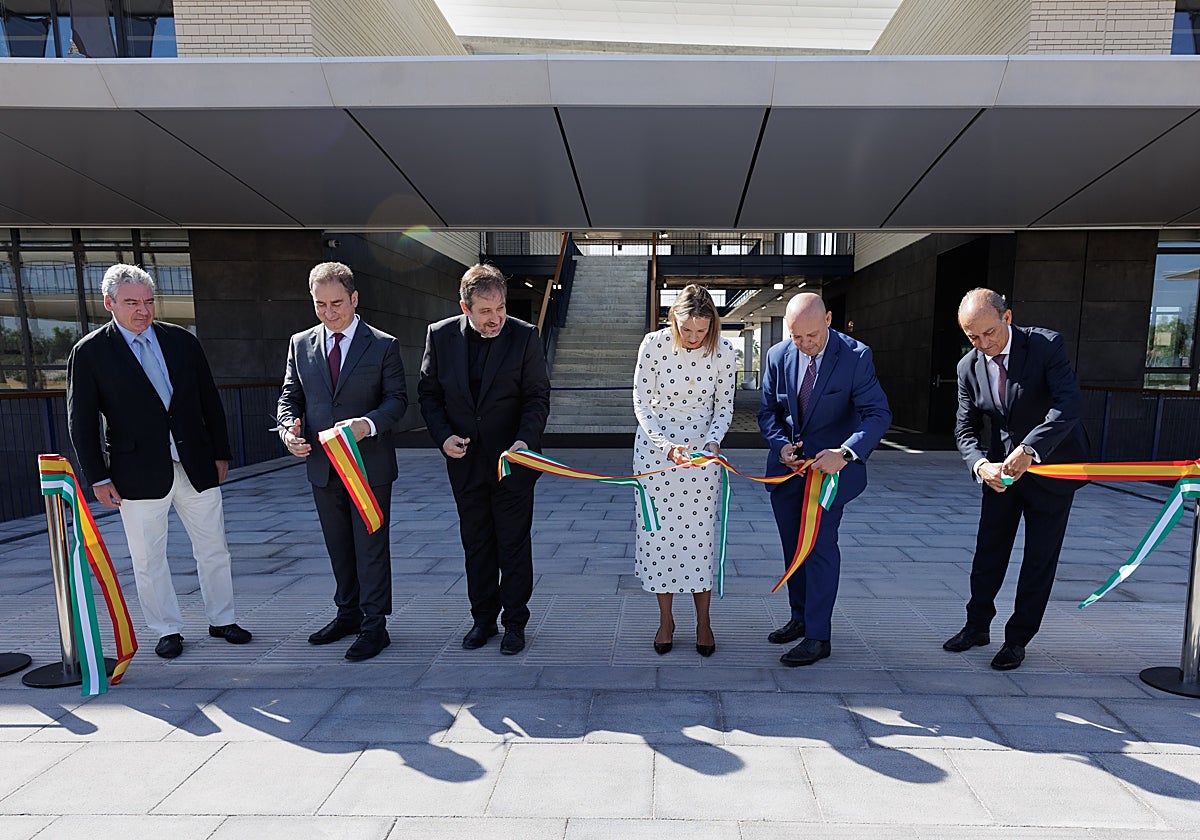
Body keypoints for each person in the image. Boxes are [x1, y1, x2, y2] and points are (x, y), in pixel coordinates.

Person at [67, 263, 251, 660]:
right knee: (148, 556)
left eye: (148, 302)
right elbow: (80, 422)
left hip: (196, 464)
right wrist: (97, 477)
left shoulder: (182, 341)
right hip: (136, 472)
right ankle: (166, 629)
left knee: (214, 547)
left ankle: (223, 619)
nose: (143, 311)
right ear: (109, 304)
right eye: (132, 302)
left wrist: (221, 452)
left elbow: (209, 402)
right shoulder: (90, 352)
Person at [943, 288, 1089, 670]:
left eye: (988, 333)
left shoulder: (1045, 345)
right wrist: (979, 465)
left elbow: (1069, 404)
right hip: (1001, 474)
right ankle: (976, 626)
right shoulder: (968, 367)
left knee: (1039, 559)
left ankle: (1017, 639)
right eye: (972, 337)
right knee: (988, 551)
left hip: (1051, 467)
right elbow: (964, 429)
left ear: (1007, 317)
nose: (983, 344)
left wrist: (1029, 450)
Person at [418, 263, 550, 656]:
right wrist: (442, 438)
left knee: (512, 545)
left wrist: (526, 440)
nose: (495, 319)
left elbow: (537, 397)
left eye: (501, 309)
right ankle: (482, 620)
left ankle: (515, 623)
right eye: (485, 311)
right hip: (464, 462)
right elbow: (428, 395)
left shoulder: (525, 337)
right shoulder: (439, 337)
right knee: (475, 544)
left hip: (514, 463)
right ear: (465, 307)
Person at [278, 262, 407, 662]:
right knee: (338, 547)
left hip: (368, 466)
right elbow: (289, 396)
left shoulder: (383, 344)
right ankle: (347, 614)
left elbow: (398, 401)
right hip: (322, 465)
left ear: (354, 298)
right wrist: (287, 429)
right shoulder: (300, 344)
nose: (329, 312)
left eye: (337, 303)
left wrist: (367, 425)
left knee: (370, 546)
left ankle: (374, 626)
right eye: (320, 305)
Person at [758, 293, 891, 666]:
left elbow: (877, 414)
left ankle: (818, 636)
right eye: (796, 337)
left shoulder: (856, 357)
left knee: (818, 547)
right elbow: (769, 411)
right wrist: (781, 445)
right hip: (786, 471)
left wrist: (845, 453)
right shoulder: (778, 355)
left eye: (811, 336)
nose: (804, 345)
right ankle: (799, 617)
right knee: (792, 547)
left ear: (828, 320)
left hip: (831, 474)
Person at [632, 284, 735, 656]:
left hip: (701, 456)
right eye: (686, 329)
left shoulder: (724, 351)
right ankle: (665, 619)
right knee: (658, 539)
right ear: (672, 320)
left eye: (701, 331)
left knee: (699, 541)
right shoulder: (653, 345)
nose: (693, 338)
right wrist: (665, 445)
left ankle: (704, 621)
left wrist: (712, 441)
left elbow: (724, 406)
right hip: (657, 453)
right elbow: (642, 404)